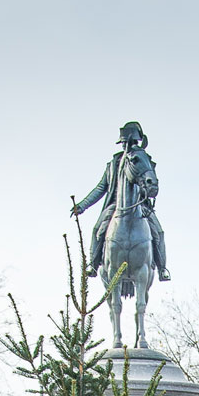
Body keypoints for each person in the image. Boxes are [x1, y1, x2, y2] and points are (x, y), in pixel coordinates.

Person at [72, 121, 170, 282]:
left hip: (141, 206)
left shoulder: (142, 158)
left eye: (129, 142)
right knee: (98, 230)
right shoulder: (113, 164)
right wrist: (82, 205)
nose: (127, 145)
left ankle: (162, 268)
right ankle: (93, 264)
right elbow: (100, 188)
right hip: (115, 205)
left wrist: (149, 192)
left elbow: (150, 179)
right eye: (124, 142)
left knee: (158, 232)